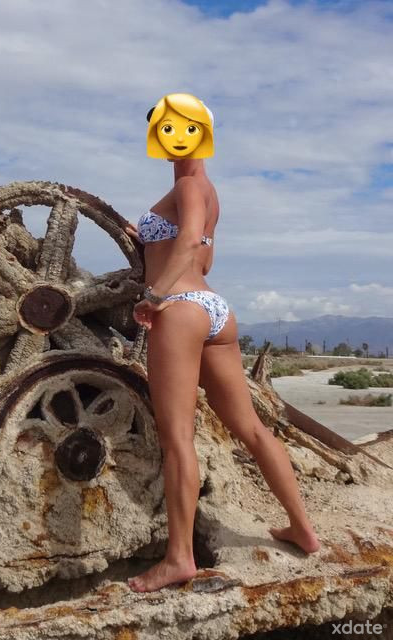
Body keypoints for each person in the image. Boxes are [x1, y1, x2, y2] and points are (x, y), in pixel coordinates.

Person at [124, 99, 320, 593]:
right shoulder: (207, 192)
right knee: (251, 428)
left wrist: (154, 296)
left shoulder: (188, 187)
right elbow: (204, 260)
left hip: (181, 310)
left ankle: (179, 558)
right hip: (215, 309)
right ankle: (302, 529)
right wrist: (147, 241)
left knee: (177, 437)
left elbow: (190, 243)